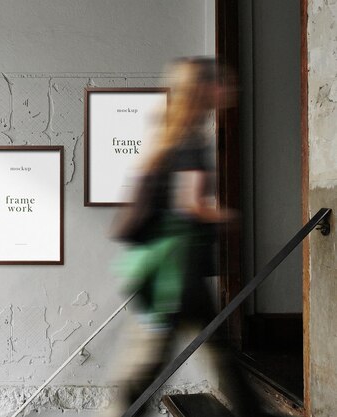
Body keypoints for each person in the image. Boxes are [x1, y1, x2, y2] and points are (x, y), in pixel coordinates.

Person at [106, 57, 258, 417]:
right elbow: (190, 204)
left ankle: (252, 410)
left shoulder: (170, 134)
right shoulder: (190, 141)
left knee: (214, 349)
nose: (229, 87)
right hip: (175, 274)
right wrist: (227, 215)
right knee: (148, 365)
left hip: (172, 270)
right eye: (222, 82)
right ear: (205, 90)